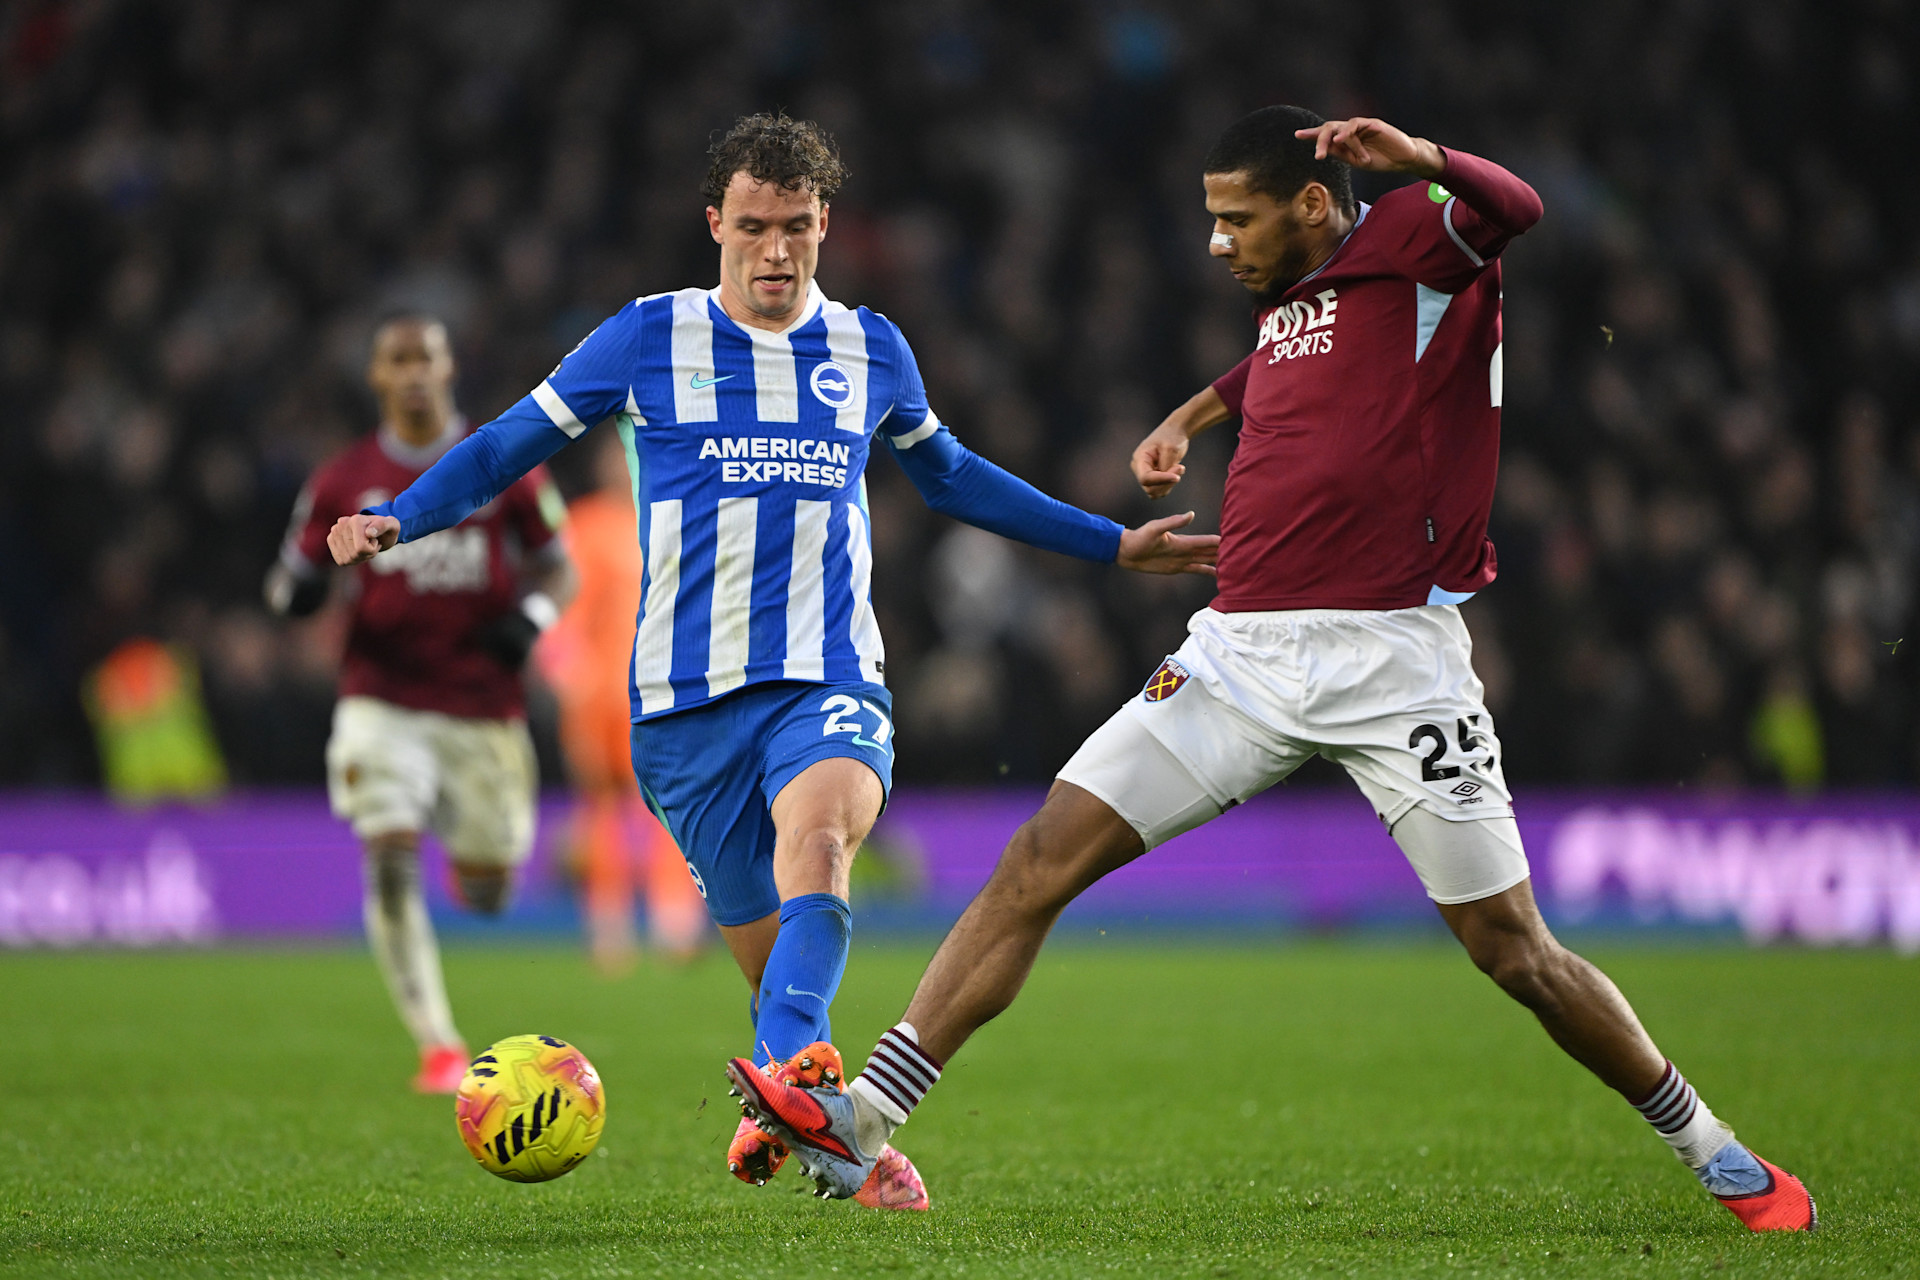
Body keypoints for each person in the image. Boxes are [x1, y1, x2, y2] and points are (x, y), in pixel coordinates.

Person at [725, 108, 1817, 1234]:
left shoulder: (1418, 246)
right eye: (1211, 220)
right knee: (1038, 858)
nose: (1215, 242)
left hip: (1396, 660)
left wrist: (1426, 161)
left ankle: (1709, 1143)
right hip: (1238, 650)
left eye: (1234, 217)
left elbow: (1517, 209)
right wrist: (1189, 412)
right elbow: (1294, 362)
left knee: (1516, 950)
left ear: (1309, 202)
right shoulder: (1296, 302)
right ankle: (866, 1118)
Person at [323, 113, 1218, 1210]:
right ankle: (820, 1122)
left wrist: (1108, 541)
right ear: (716, 224)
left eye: (797, 226)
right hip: (682, 711)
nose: (777, 250)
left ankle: (808, 1095)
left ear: (826, 223)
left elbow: (955, 478)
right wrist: (401, 516)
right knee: (774, 974)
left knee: (825, 837)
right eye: (753, 226)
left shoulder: (871, 347)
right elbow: (512, 442)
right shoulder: (646, 338)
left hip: (826, 673)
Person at [267, 313, 575, 1093]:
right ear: (377, 376)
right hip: (383, 698)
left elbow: (561, 571)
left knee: (488, 892)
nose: (411, 374)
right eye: (396, 360)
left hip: (481, 705)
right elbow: (287, 580)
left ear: (449, 370)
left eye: (424, 359)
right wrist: (301, 593)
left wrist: (529, 622)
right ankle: (438, 1045)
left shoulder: (505, 463)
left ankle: (450, 829)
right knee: (390, 858)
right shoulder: (342, 478)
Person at [538, 431, 708, 972]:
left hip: (663, 693)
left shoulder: (672, 518)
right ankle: (608, 928)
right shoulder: (584, 525)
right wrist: (564, 666)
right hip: (599, 695)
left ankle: (673, 924)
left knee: (670, 811)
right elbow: (561, 603)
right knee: (602, 809)